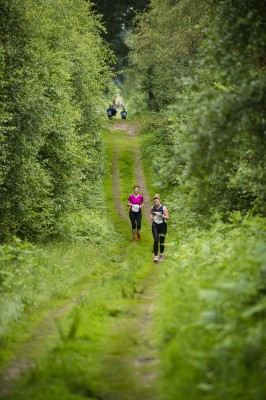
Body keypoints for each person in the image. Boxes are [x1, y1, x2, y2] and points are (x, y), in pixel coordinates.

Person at [151, 194, 169, 262]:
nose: (156, 203)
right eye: (155, 202)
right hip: (155, 225)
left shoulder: (164, 208)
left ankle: (161, 254)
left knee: (162, 241)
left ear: (159, 201)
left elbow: (167, 218)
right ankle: (156, 256)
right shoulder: (152, 207)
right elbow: (151, 214)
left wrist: (161, 215)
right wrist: (152, 217)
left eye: (157, 201)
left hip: (163, 226)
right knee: (156, 240)